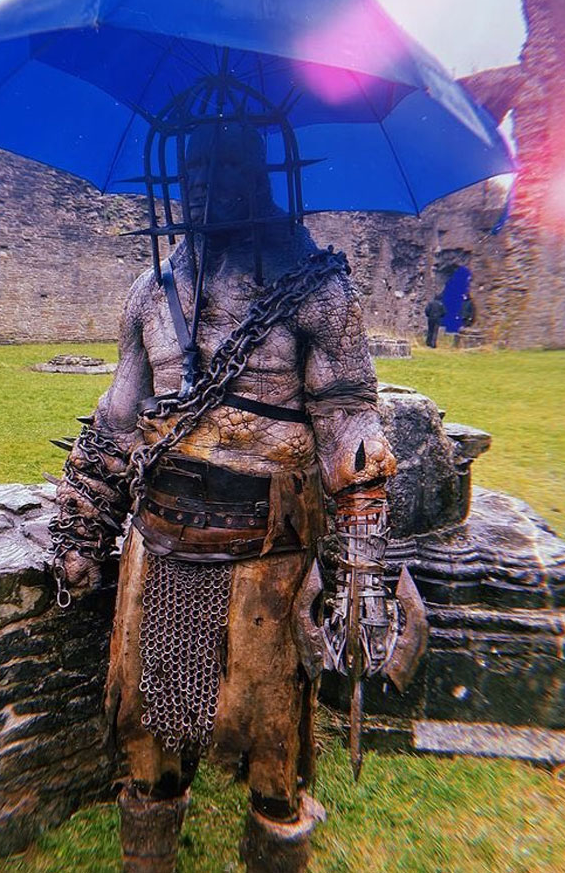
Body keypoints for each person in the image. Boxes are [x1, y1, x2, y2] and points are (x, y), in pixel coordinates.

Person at [50, 120, 396, 872]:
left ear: (262, 167)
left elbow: (350, 423)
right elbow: (117, 419)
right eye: (193, 162)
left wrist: (362, 565)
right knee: (150, 749)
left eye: (224, 160)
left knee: (274, 759)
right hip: (161, 545)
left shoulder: (319, 287)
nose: (204, 180)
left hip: (267, 562)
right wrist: (82, 527)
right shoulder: (150, 291)